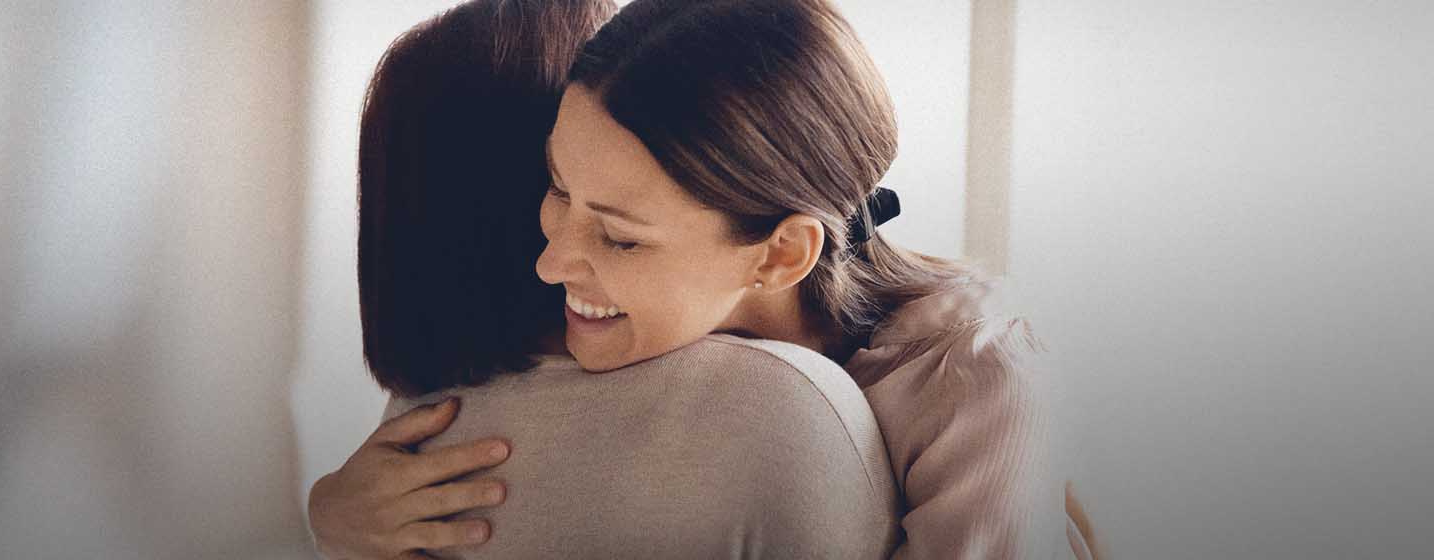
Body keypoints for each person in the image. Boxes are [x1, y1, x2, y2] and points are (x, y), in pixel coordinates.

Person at [319, 0, 1103, 558]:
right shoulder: (669, 323)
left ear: (779, 257)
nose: (550, 262)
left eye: (620, 238)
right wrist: (331, 515)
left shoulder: (975, 379)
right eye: (556, 189)